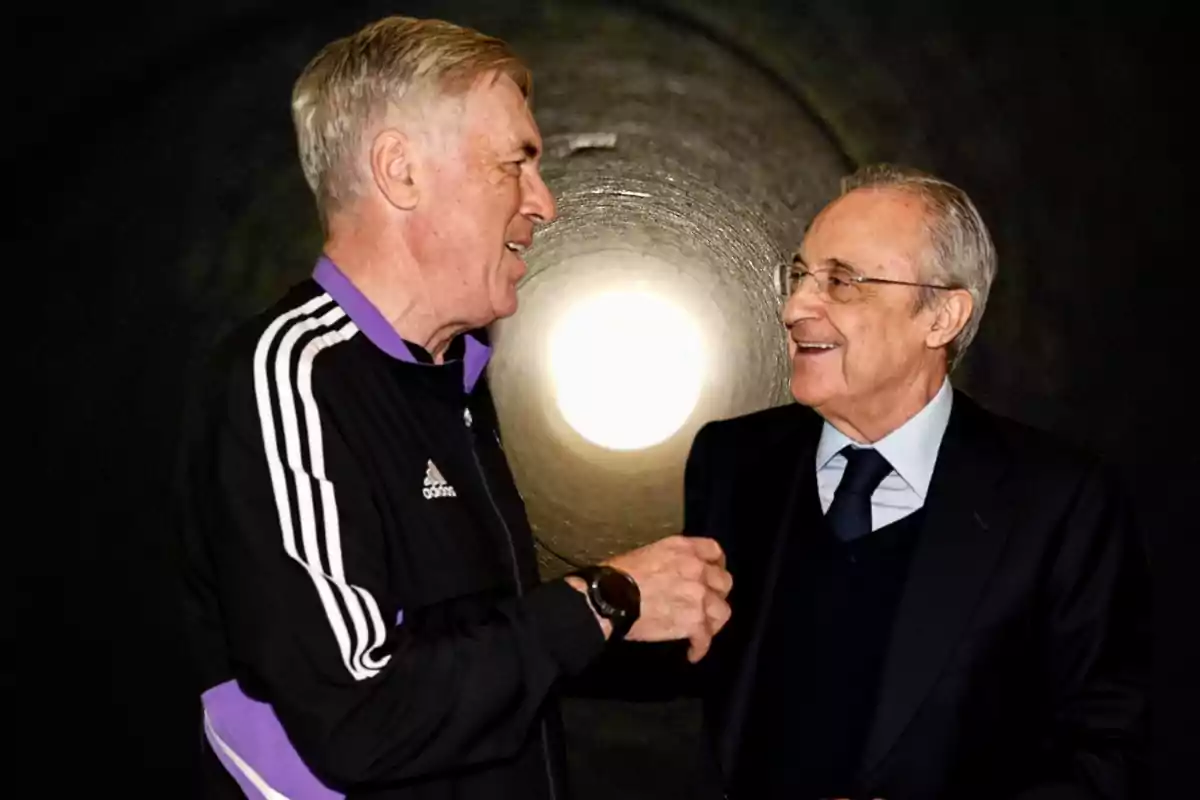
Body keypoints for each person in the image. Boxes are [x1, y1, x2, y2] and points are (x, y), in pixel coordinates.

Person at [176, 15, 732, 799]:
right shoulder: (294, 375)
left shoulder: (448, 382)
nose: (545, 202)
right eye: (515, 163)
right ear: (400, 171)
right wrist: (604, 598)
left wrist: (640, 615)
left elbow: (474, 654)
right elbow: (363, 715)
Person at [682, 164, 1149, 799]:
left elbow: (1107, 755)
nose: (794, 308)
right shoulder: (734, 462)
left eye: (843, 282)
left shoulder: (1058, 503)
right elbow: (677, 659)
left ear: (942, 318)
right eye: (798, 276)